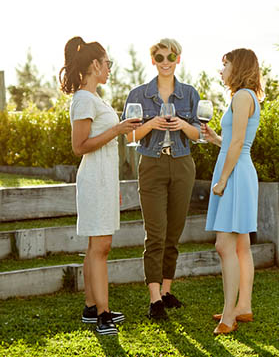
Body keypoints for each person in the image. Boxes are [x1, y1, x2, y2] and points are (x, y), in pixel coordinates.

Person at [61, 37, 140, 335]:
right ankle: (103, 315)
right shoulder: (83, 99)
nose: (109, 69)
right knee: (101, 247)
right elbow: (79, 146)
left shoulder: (96, 99)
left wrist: (113, 184)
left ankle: (91, 307)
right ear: (95, 64)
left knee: (97, 246)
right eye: (108, 63)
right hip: (93, 179)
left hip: (104, 180)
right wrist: (118, 129)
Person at [122, 38, 201, 320]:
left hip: (182, 164)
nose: (165, 62)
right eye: (159, 57)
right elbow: (129, 136)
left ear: (178, 59)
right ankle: (154, 299)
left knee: (174, 232)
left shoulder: (190, 94)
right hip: (152, 165)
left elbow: (200, 134)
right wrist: (150, 124)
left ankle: (167, 291)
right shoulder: (139, 94)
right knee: (155, 234)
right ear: (152, 60)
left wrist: (183, 125)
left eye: (170, 57)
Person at [201, 49, 263, 335]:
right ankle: (243, 306)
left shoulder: (241, 96)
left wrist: (223, 179)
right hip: (240, 170)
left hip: (236, 174)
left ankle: (229, 316)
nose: (221, 70)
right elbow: (233, 142)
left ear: (237, 67)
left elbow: (238, 143)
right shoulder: (247, 96)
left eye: (224, 64)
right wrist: (216, 139)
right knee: (240, 246)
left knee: (224, 245)